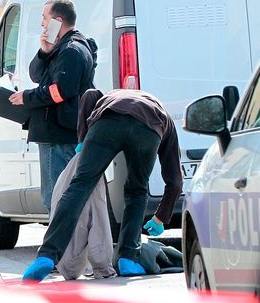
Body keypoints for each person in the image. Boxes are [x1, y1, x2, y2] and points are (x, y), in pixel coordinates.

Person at [22, 88, 182, 282]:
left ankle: (47, 256)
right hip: (148, 128)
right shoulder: (164, 117)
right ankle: (128, 259)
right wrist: (160, 218)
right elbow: (174, 181)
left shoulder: (108, 97)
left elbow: (89, 94)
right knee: (137, 190)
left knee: (79, 186)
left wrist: (83, 141)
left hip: (108, 121)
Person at [8, 0, 96, 211]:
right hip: (55, 133)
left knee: (55, 198)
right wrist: (44, 51)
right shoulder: (61, 49)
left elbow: (60, 91)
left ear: (57, 20)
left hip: (58, 135)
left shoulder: (71, 51)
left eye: (45, 18)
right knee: (57, 197)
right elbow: (37, 75)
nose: (42, 24)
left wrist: (26, 97)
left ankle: (61, 245)